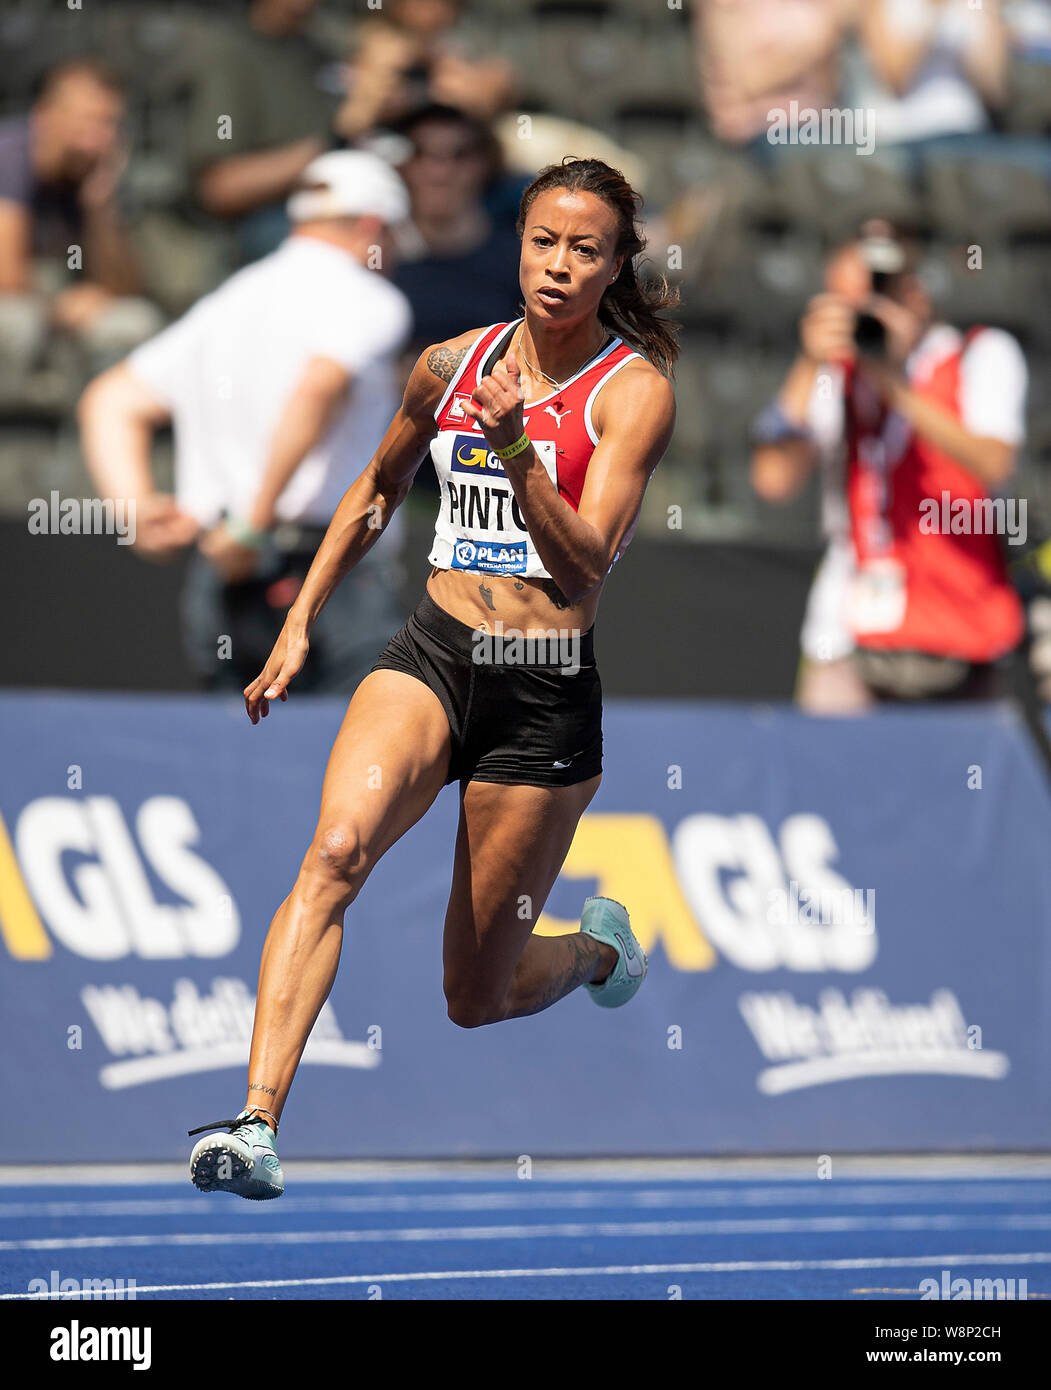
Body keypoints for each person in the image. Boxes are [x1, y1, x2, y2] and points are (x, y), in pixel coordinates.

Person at [185, 157, 678, 1200]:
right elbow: (376, 486)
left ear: (615, 264)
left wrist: (516, 453)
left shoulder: (633, 395)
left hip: (541, 685)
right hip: (436, 654)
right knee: (333, 851)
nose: (557, 265)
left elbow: (584, 561)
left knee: (476, 993)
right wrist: (300, 623)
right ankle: (257, 1122)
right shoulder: (450, 361)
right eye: (542, 240)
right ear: (519, 243)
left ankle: (593, 951)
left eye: (585, 250)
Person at [79, 151, 413, 695]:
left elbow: (110, 399)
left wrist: (137, 510)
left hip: (226, 569)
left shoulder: (230, 301)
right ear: (373, 227)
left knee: (234, 758)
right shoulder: (372, 299)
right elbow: (318, 387)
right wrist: (252, 525)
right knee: (349, 761)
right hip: (331, 572)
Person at [751, 222, 1027, 706]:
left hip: (962, 617)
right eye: (845, 302)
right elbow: (774, 480)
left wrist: (893, 383)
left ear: (914, 293)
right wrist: (809, 363)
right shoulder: (834, 373)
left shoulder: (978, 354)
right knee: (830, 772)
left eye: (872, 298)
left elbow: (993, 462)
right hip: (848, 621)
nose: (862, 314)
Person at [0, 59, 161, 390]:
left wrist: (100, 206)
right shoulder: (10, 155)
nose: (96, 139)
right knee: (15, 322)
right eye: (87, 121)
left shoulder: (96, 172)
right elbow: (7, 278)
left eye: (109, 124)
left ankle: (97, 424)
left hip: (55, 303)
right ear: (44, 116)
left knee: (134, 319)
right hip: (24, 306)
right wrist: (61, 308)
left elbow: (125, 288)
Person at [186, 0, 337, 263]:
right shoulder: (229, 54)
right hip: (255, 227)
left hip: (343, 204)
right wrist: (330, 142)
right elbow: (220, 188)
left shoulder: (324, 51)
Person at [391, 104, 523, 354]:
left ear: (484, 164)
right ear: (403, 166)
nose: (440, 172)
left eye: (459, 155)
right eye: (422, 154)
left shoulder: (521, 262)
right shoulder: (376, 257)